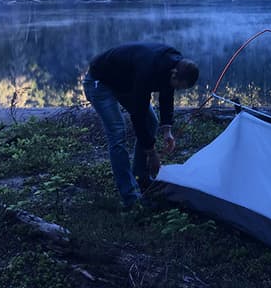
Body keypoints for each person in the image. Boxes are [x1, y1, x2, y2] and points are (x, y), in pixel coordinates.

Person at [83, 42, 199, 209]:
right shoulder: (148, 69)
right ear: (174, 75)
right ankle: (130, 197)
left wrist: (167, 131)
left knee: (151, 121)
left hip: (124, 82)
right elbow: (137, 115)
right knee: (117, 133)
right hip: (100, 82)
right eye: (180, 86)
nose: (179, 90)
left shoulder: (175, 64)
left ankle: (141, 175)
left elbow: (167, 94)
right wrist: (151, 153)